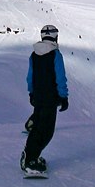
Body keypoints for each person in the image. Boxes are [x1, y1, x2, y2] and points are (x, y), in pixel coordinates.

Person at [20, 25, 69, 175]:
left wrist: (32, 93)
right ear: (55, 37)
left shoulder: (34, 55)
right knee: (46, 131)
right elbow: (60, 77)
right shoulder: (55, 55)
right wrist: (64, 96)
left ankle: (30, 156)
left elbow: (30, 77)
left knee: (38, 128)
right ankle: (30, 160)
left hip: (39, 97)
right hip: (51, 98)